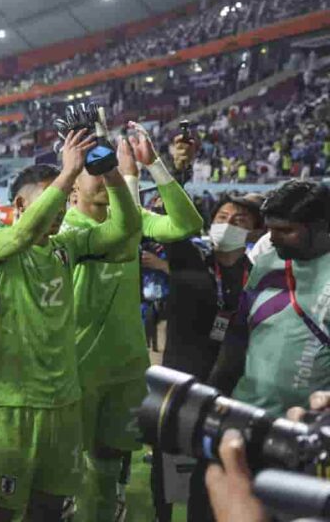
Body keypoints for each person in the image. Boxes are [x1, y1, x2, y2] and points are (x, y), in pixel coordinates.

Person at [0, 128, 141, 522]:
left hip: (64, 402)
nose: (62, 208)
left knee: (48, 508)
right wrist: (66, 177)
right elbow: (26, 231)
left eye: (65, 201)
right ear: (18, 203)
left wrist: (109, 171)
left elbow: (126, 228)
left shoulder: (66, 247)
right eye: (54, 199)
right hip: (11, 404)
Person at [68, 122, 204, 522]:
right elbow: (121, 234)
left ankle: (107, 511)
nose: (102, 172)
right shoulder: (65, 228)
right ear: (72, 186)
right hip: (76, 366)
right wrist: (128, 178)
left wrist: (154, 166)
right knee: (70, 467)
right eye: (92, 168)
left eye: (106, 165)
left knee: (111, 465)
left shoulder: (133, 216)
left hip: (126, 367)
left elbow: (186, 225)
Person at [152, 195, 263, 522]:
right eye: (222, 216)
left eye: (239, 220)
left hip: (228, 394)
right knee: (168, 477)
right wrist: (176, 169)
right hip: (177, 388)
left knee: (211, 478)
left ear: (254, 231)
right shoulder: (189, 257)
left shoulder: (256, 276)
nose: (227, 224)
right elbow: (173, 222)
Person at [210, 180, 330, 416]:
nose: (273, 239)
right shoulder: (266, 261)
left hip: (305, 423)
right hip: (244, 410)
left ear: (320, 226)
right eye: (270, 229)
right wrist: (216, 387)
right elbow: (239, 332)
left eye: (285, 231)